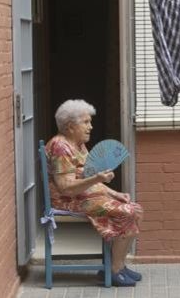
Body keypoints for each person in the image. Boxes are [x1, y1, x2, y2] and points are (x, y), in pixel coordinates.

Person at [45, 99, 144, 287]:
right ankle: (113, 270)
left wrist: (114, 193)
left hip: (84, 195)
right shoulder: (61, 147)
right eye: (85, 122)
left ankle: (117, 264)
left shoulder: (78, 144)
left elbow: (90, 176)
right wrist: (98, 179)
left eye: (90, 122)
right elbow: (66, 187)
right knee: (128, 212)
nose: (90, 127)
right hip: (68, 201)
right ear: (69, 126)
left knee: (136, 210)